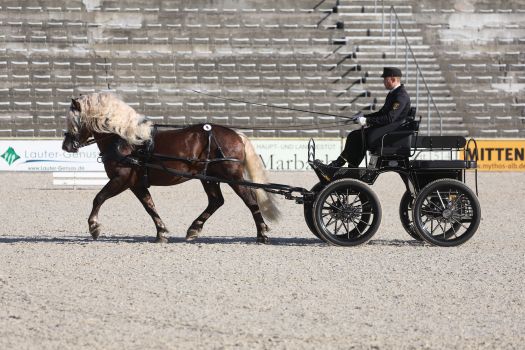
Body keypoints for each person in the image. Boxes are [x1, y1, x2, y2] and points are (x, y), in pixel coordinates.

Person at [316, 67, 411, 178]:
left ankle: (347, 168)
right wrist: (364, 117)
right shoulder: (393, 94)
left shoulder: (401, 96)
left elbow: (389, 118)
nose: (384, 82)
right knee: (354, 135)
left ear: (393, 79)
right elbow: (381, 113)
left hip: (391, 132)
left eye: (385, 79)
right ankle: (344, 166)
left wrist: (367, 121)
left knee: (359, 137)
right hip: (387, 128)